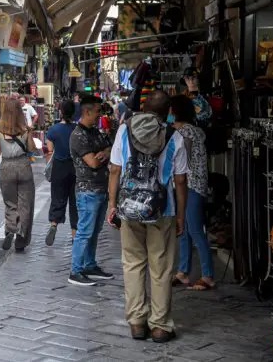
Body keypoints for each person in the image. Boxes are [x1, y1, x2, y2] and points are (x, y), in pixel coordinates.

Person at [107, 90, 189, 343]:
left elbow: (115, 170)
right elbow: (180, 180)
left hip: (129, 209)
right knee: (161, 267)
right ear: (168, 112)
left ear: (144, 108)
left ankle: (137, 323)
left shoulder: (124, 131)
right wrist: (180, 216)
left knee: (132, 263)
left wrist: (112, 205)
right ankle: (161, 326)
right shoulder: (175, 136)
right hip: (162, 210)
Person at [169, 95, 214, 290]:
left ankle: (208, 275)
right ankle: (183, 271)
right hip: (188, 184)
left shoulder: (185, 133)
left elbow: (181, 162)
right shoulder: (190, 131)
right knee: (185, 230)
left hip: (191, 184)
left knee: (195, 229)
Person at [68, 95, 114, 286]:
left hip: (101, 189)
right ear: (87, 111)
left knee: (94, 231)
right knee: (85, 231)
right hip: (88, 190)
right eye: (97, 111)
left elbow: (110, 148)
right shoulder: (77, 135)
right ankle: (75, 270)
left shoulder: (95, 132)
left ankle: (89, 265)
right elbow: (93, 162)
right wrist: (103, 155)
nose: (99, 115)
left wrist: (105, 153)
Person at [0, 99, 36, 252]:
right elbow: (32, 149)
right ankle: (20, 242)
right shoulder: (25, 129)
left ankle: (11, 229)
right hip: (23, 166)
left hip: (6, 168)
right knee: (26, 205)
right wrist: (29, 134)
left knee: (11, 204)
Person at [45, 100, 78, 246]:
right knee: (75, 202)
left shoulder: (53, 130)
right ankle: (74, 235)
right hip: (76, 168)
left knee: (58, 197)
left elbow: (49, 151)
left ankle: (53, 224)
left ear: (61, 112)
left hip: (59, 167)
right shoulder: (78, 129)